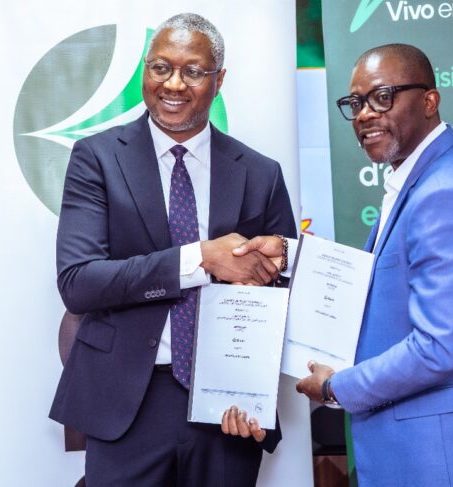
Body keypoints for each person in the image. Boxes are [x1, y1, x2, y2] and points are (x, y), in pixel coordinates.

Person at [236, 44, 453, 486]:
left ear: (429, 101)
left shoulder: (444, 192)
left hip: (439, 457)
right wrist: (290, 257)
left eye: (382, 97)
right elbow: (387, 279)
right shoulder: (422, 177)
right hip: (426, 446)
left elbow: (438, 348)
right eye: (356, 103)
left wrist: (337, 387)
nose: (364, 114)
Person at [50, 13, 296, 486]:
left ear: (219, 80)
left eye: (193, 71)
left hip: (227, 408)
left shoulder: (260, 173)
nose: (174, 84)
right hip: (126, 402)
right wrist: (200, 259)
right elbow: (79, 283)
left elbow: (282, 296)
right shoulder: (97, 158)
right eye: (161, 67)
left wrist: (254, 392)